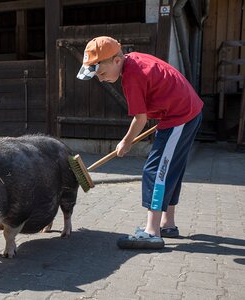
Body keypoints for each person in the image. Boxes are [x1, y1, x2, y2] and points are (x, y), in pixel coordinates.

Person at [76, 36, 203, 249]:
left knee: (156, 170)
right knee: (172, 169)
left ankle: (152, 232)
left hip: (180, 116)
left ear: (116, 61)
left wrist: (126, 142)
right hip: (186, 112)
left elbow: (140, 119)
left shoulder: (132, 76)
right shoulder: (133, 62)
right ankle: (167, 223)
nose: (101, 79)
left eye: (102, 73)